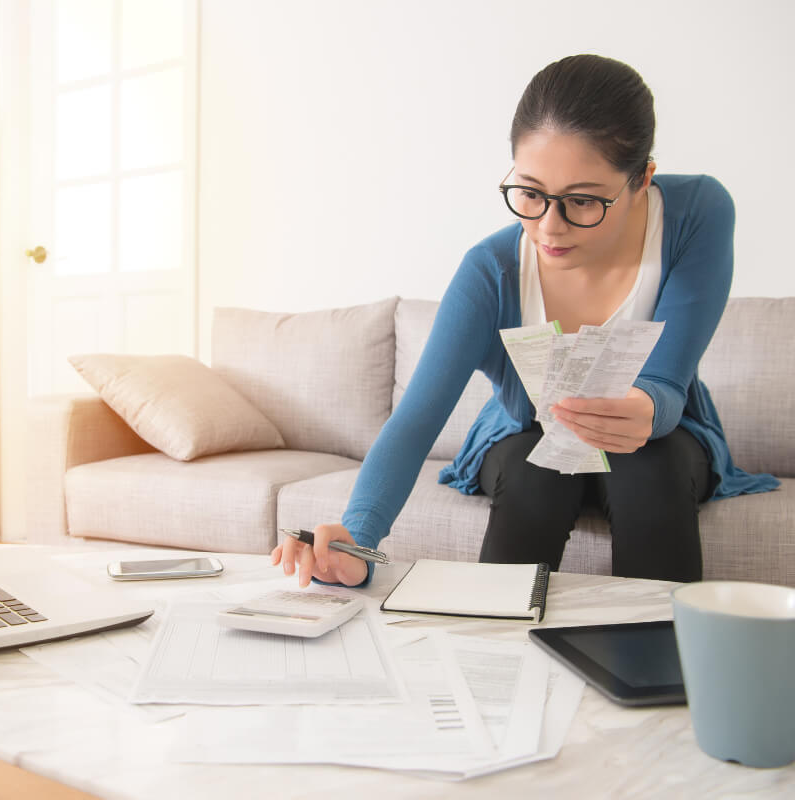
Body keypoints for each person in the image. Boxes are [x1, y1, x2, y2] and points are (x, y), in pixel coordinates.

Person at [271, 54, 779, 588]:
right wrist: (360, 536)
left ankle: (656, 661)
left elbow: (668, 383)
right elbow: (417, 417)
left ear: (641, 178)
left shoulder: (697, 214)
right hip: (526, 434)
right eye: (530, 193)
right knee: (537, 475)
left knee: (649, 470)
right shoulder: (491, 270)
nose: (549, 228)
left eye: (583, 201)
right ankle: (497, 657)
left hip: (657, 436)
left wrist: (645, 407)